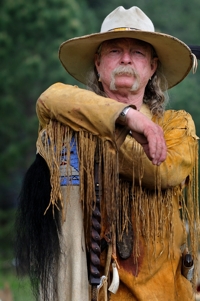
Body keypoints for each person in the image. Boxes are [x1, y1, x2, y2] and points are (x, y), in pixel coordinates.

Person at [16, 6, 199, 301]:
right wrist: (130, 118)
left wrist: (108, 130)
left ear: (152, 67)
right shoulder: (68, 116)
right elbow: (49, 98)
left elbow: (161, 170)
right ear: (98, 63)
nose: (126, 58)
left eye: (137, 52)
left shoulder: (176, 124)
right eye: (115, 51)